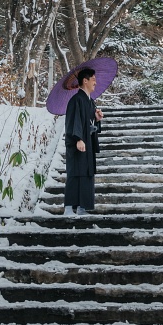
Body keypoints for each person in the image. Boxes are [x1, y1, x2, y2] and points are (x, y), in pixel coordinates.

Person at [64, 68, 103, 216]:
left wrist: (97, 120)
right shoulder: (76, 99)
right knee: (75, 173)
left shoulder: (90, 102)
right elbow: (73, 121)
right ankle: (68, 207)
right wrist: (79, 138)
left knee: (87, 173)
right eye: (93, 79)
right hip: (78, 142)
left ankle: (82, 207)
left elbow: (90, 123)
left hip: (88, 141)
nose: (95, 82)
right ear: (85, 80)